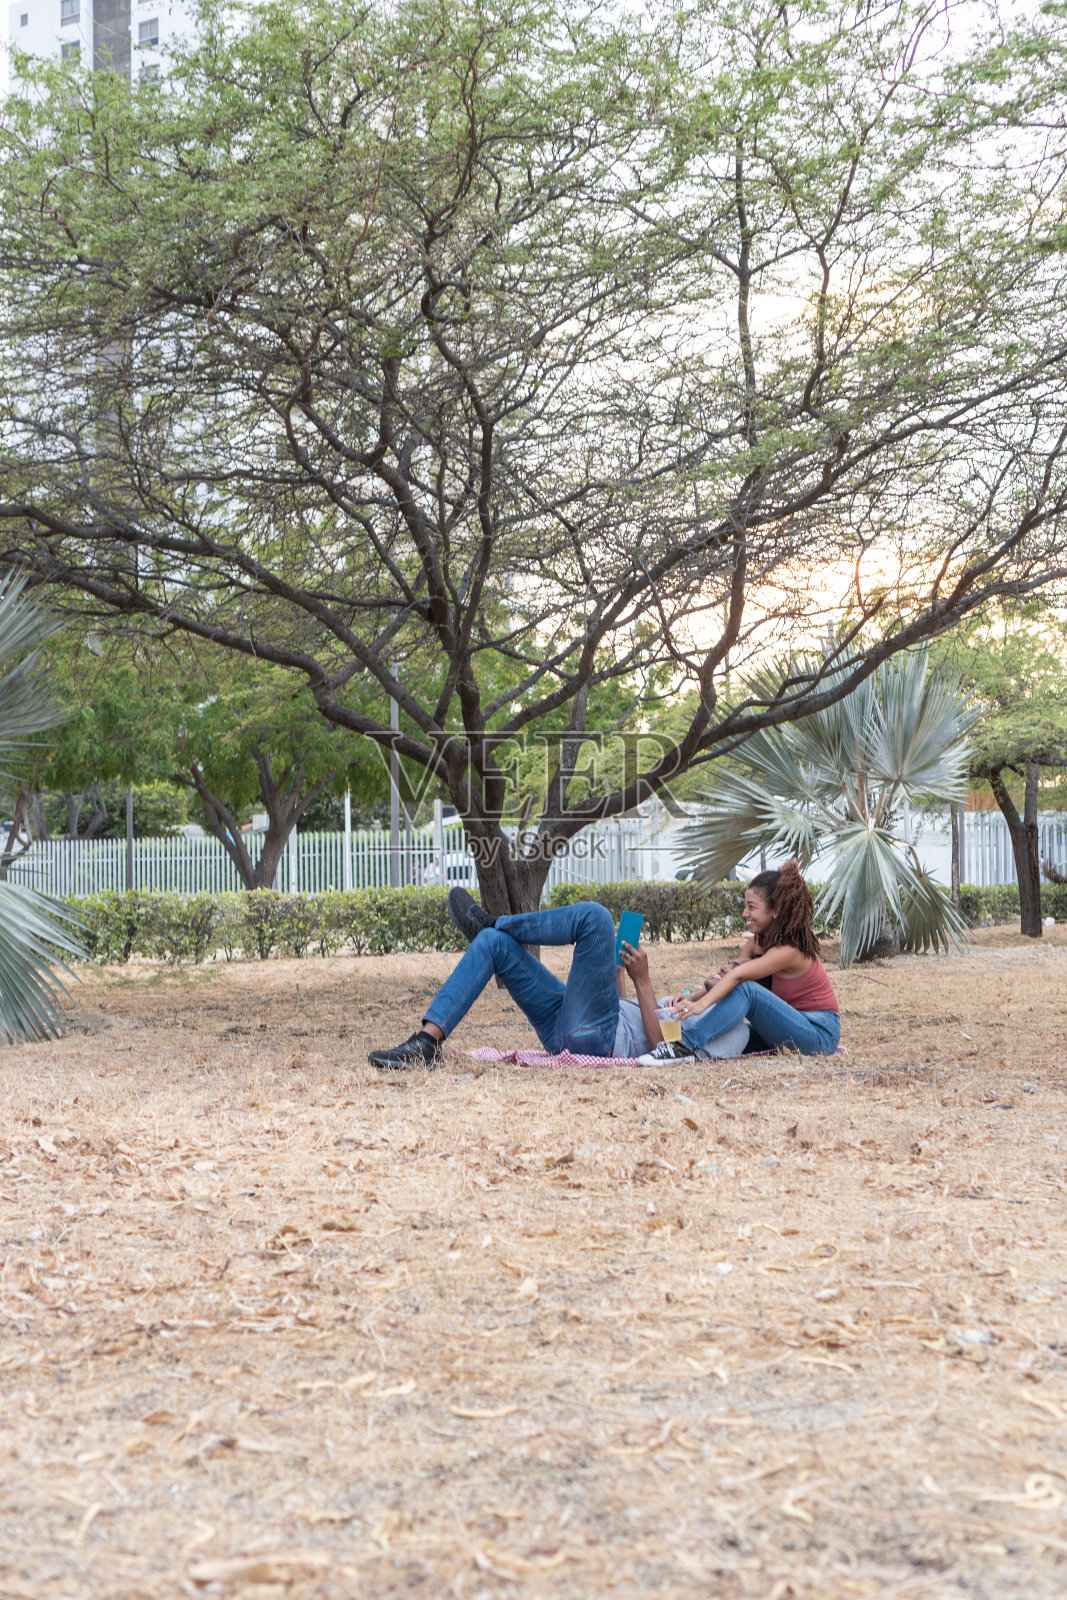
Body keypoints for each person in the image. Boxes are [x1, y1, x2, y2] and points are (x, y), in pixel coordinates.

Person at [367, 889, 749, 1069]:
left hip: (597, 1040)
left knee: (595, 917)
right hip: (575, 1024)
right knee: (493, 944)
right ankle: (425, 1044)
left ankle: (496, 920)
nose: (724, 968)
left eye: (734, 969)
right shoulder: (692, 1001)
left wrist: (644, 982)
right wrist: (619, 971)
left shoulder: (736, 1028)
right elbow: (630, 1013)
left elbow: (663, 1049)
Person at [666, 861, 841, 1057]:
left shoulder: (790, 950)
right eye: (745, 906)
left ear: (775, 910)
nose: (744, 913)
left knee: (747, 990)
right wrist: (690, 995)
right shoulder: (756, 942)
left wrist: (699, 1005)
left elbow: (739, 979)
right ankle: (676, 1047)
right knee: (733, 1035)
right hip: (788, 1026)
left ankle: (683, 1045)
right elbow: (729, 981)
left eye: (752, 907)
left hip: (819, 1035)